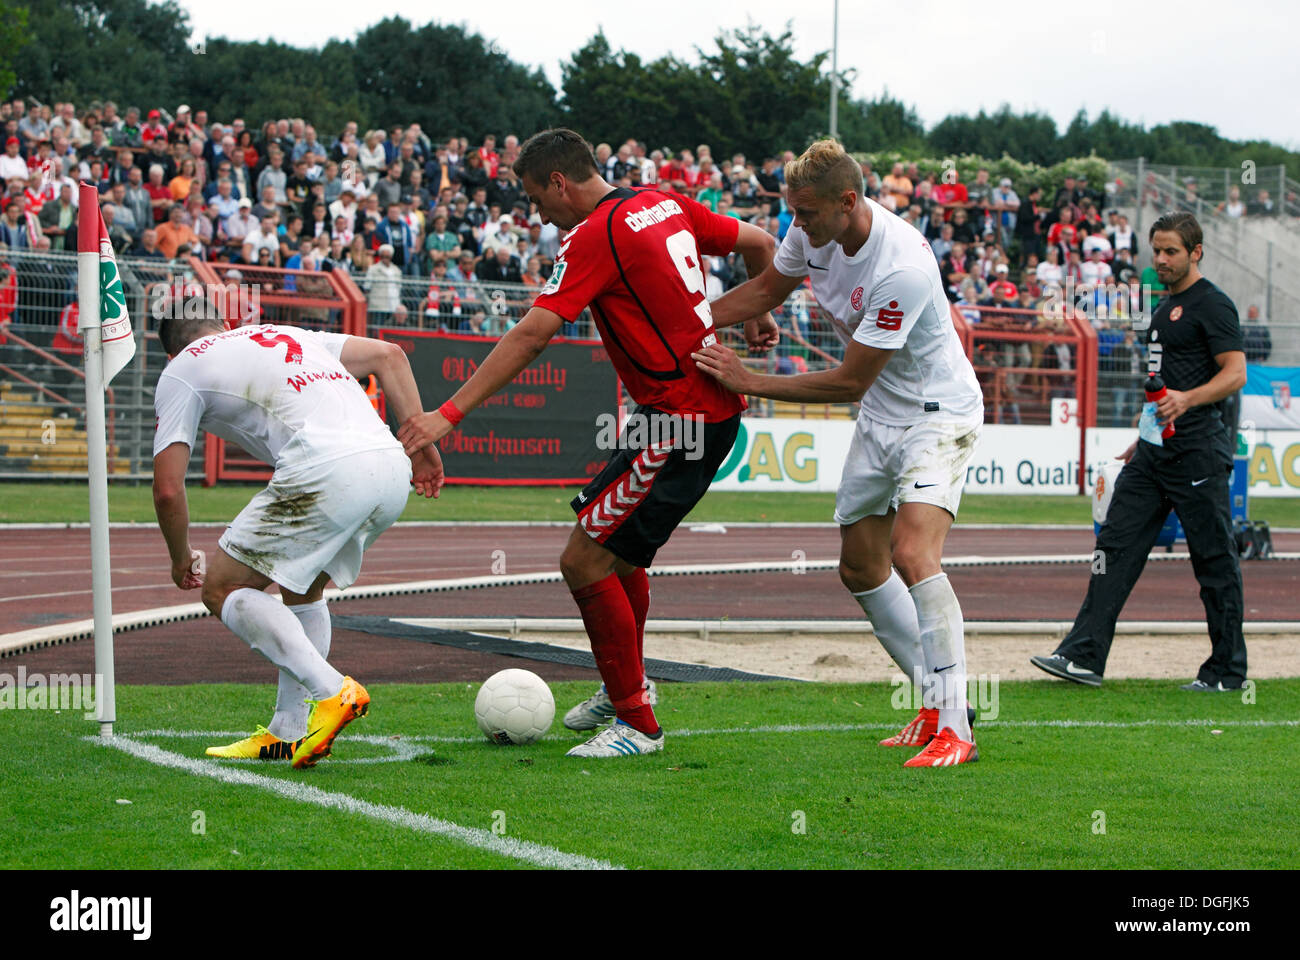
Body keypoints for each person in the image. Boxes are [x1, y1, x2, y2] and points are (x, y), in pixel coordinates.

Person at [396, 128, 778, 759]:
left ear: (558, 182)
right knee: (619, 557)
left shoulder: (597, 233)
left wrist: (448, 414)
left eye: (535, 198)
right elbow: (764, 243)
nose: (536, 213)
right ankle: (625, 686)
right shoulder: (664, 202)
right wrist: (764, 309)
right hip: (686, 415)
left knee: (583, 560)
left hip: (682, 419)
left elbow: (531, 336)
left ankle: (637, 721)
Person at [693, 139, 984, 768]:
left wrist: (749, 381)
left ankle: (957, 727)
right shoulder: (810, 230)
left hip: (938, 413)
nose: (796, 226)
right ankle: (934, 702)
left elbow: (847, 381)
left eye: (807, 214)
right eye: (792, 213)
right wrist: (687, 327)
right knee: (859, 566)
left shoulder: (900, 265)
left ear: (848, 202)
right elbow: (770, 287)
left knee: (912, 552)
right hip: (883, 410)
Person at [151, 305, 445, 768]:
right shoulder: (281, 332)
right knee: (301, 587)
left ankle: (332, 692)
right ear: (226, 326)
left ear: (169, 353)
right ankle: (286, 732)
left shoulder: (181, 370)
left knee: (222, 587)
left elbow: (168, 489)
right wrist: (422, 446)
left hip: (328, 468)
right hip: (391, 464)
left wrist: (178, 555)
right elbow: (390, 355)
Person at [1031, 212, 1248, 690]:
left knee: (1213, 560)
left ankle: (1227, 671)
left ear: (1196, 252)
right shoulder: (1159, 308)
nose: (1162, 260)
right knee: (1114, 546)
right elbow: (1162, 388)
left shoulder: (1214, 305)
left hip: (1197, 453)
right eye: (1157, 251)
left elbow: (1235, 373)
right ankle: (1083, 656)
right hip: (1153, 454)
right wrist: (1141, 437)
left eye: (1172, 251)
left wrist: (1187, 400)